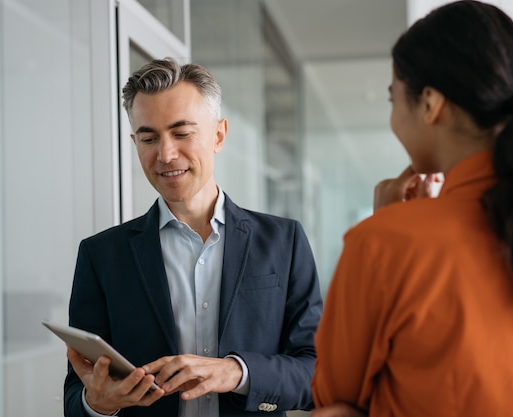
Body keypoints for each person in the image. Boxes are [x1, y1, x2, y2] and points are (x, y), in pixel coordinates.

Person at [311, 1, 513, 416]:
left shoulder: (384, 243)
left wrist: (392, 223)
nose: (393, 118)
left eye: (394, 99)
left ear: (429, 104)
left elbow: (333, 401)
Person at [63, 58, 323, 417]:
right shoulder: (102, 256)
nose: (166, 154)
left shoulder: (284, 241)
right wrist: (97, 405)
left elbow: (317, 375)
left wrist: (236, 371)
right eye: (148, 137)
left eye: (182, 133)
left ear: (218, 134)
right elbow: (77, 397)